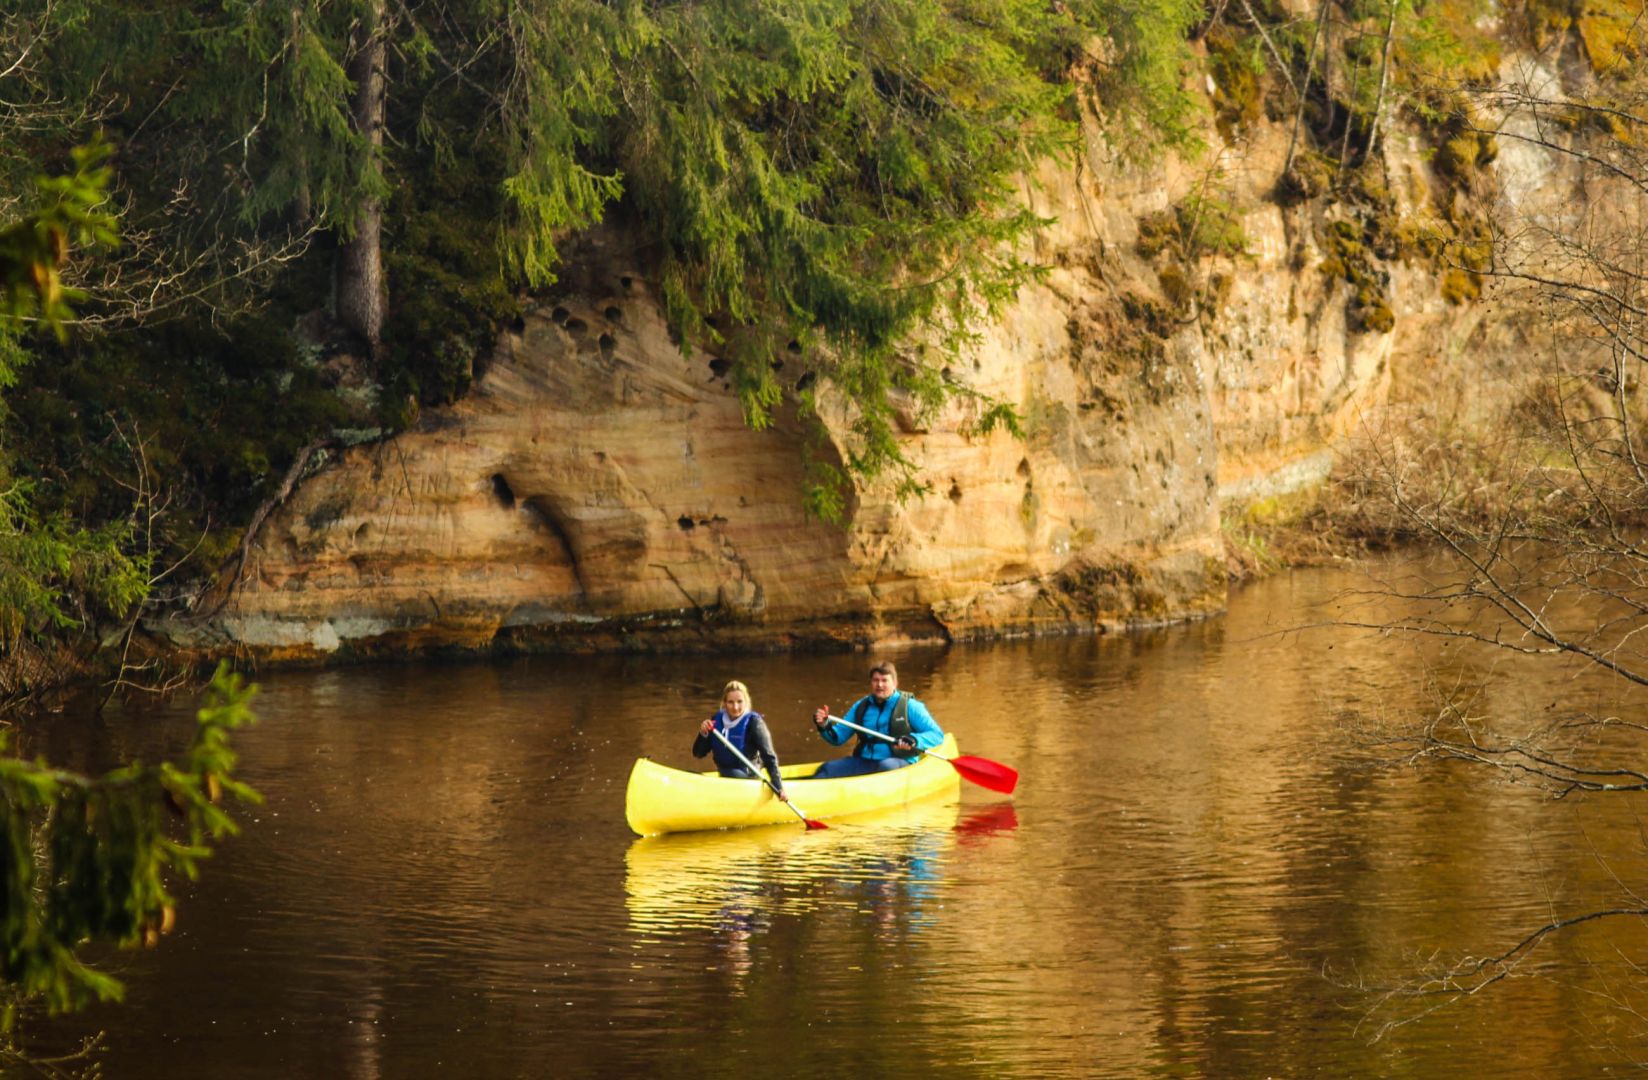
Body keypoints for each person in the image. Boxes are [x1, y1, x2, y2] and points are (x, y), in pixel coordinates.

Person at [810, 660, 944, 779]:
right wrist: (823, 725)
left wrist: (914, 739)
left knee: (885, 766)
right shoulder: (861, 706)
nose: (879, 685)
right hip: (865, 760)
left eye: (884, 680)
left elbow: (937, 735)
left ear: (895, 683)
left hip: (899, 760)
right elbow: (837, 738)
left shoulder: (911, 706)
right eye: (875, 680)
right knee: (827, 769)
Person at [693, 680, 789, 801]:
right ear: (724, 703)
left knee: (732, 773)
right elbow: (698, 753)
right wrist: (703, 734)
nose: (735, 707)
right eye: (730, 702)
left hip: (748, 779)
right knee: (690, 774)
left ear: (746, 702)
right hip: (725, 776)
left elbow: (769, 757)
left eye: (739, 702)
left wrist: (779, 787)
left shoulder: (754, 723)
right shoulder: (716, 721)